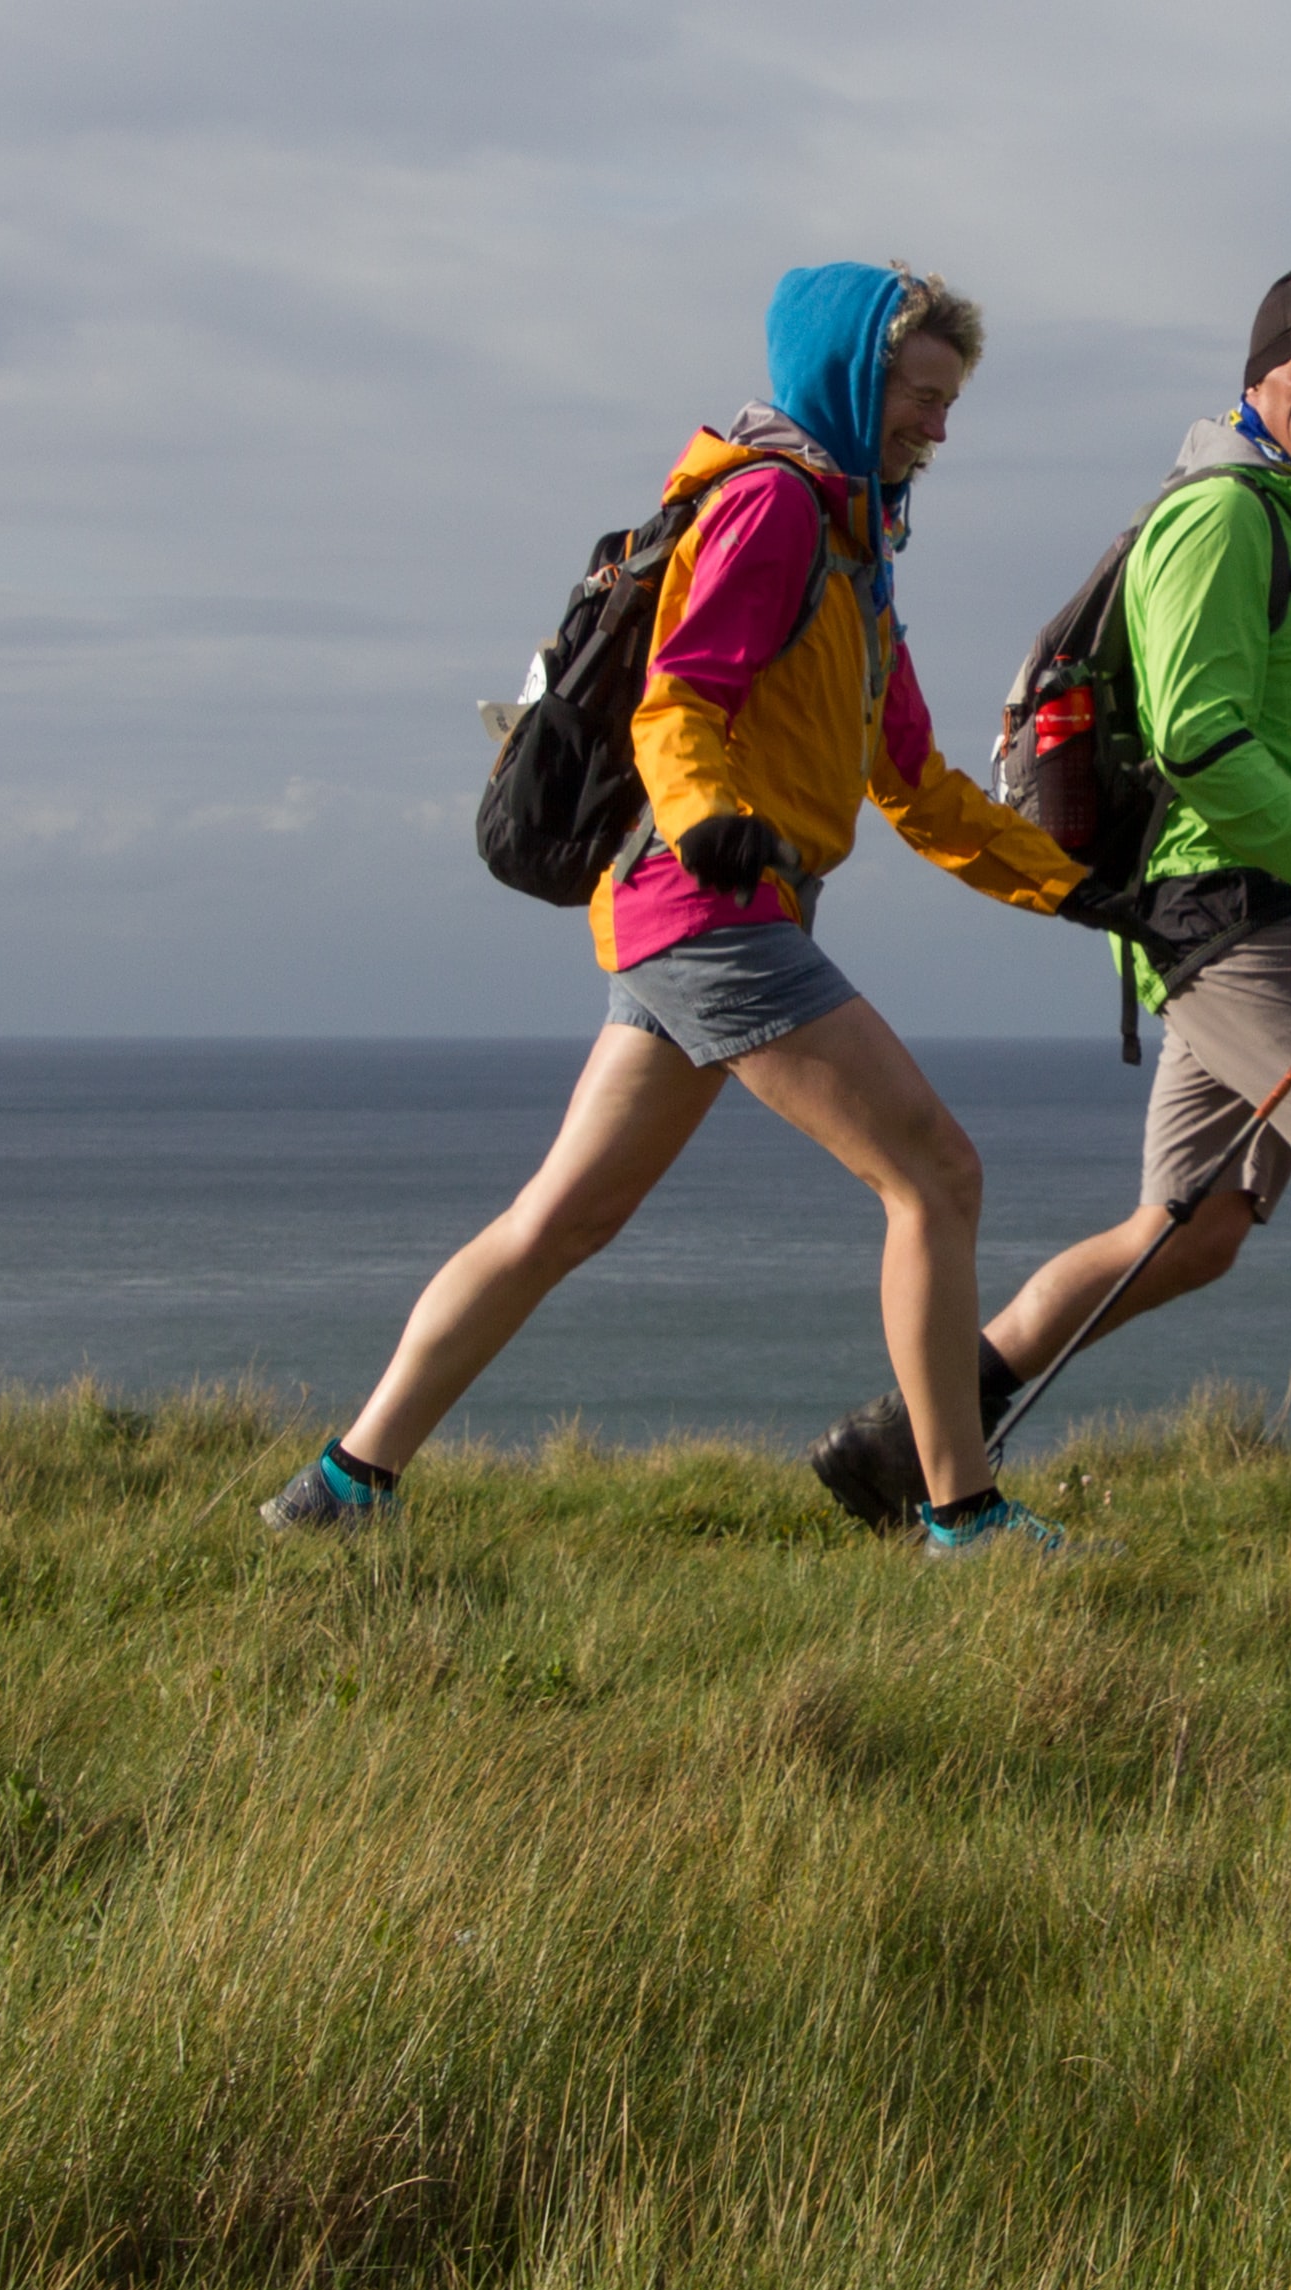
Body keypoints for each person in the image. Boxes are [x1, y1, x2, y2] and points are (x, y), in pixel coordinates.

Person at [263, 262, 1092, 1558]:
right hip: (710, 905)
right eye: (922, 397)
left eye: (948, 400)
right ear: (853, 382)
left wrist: (1090, 893)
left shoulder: (856, 546)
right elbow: (678, 696)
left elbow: (919, 786)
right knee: (936, 1172)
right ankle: (961, 1512)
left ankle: (339, 1488)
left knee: (564, 1218)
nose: (941, 426)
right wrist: (707, 819)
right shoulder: (770, 508)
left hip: (703, 913)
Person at [804, 268, 1291, 1531]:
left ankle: (901, 1437)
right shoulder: (1221, 521)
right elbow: (1202, 746)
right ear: (1256, 380)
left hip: (1261, 908)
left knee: (1185, 1232)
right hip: (1228, 915)